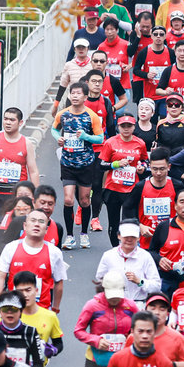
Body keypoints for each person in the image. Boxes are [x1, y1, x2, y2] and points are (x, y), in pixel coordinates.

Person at [53, 80, 104, 251]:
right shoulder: (63, 114)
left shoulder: (91, 116)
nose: (74, 96)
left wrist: (86, 137)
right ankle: (69, 236)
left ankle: (83, 234)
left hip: (86, 163)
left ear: (85, 96)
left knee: (84, 200)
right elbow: (54, 129)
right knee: (68, 199)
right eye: (72, 93)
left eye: (78, 93)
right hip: (67, 162)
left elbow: (100, 138)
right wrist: (57, 138)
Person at [0, 210, 68, 313]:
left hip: (42, 311)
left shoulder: (54, 252)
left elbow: (59, 282)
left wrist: (55, 308)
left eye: (41, 221)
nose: (36, 224)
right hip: (14, 312)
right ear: (25, 226)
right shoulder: (11, 248)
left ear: (46, 229)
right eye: (33, 220)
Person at [0, 107, 41, 230]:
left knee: (16, 230)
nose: (8, 122)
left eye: (12, 120)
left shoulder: (26, 143)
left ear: (20, 122)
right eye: (6, 119)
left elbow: (33, 171)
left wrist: (36, 195)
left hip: (17, 195)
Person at [98, 111, 150, 246]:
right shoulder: (110, 143)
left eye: (129, 126)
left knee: (130, 222)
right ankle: (116, 250)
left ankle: (130, 248)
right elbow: (101, 165)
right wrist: (115, 164)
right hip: (113, 188)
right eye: (123, 126)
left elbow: (145, 161)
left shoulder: (140, 143)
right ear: (118, 127)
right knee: (114, 223)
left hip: (132, 189)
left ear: (134, 127)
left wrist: (142, 168)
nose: (126, 129)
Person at [94, 220, 163, 305]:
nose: (129, 240)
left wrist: (139, 281)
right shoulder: (108, 255)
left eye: (133, 237)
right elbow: (100, 279)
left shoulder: (145, 256)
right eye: (126, 236)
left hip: (138, 304)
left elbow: (156, 286)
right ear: (119, 236)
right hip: (114, 304)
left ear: (138, 238)